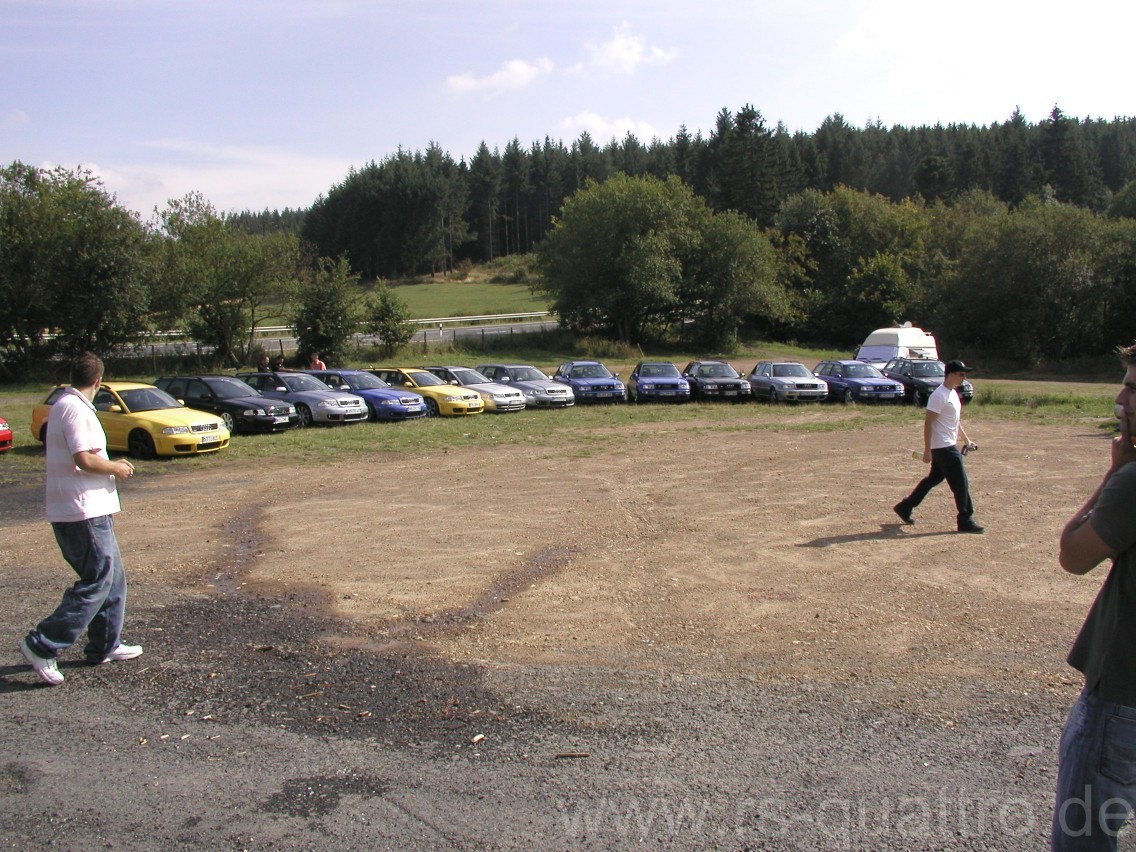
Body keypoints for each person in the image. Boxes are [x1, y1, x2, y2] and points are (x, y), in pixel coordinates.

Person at [1051, 343, 1136, 850]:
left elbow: (1073, 554)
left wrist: (1115, 471)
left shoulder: (1133, 482)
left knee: (1083, 838)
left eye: (1132, 386)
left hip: (1123, 695)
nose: (1120, 396)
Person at [17, 352, 143, 686]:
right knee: (97, 580)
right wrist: (117, 466)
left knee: (112, 579)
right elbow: (84, 459)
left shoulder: (65, 405)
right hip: (82, 511)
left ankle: (105, 644)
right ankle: (42, 643)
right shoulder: (73, 408)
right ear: (99, 381)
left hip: (91, 508)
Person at [893, 359, 984, 533]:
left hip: (947, 445)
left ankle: (905, 506)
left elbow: (954, 422)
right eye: (961, 375)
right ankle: (965, 520)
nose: (964, 378)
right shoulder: (938, 395)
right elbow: (929, 424)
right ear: (950, 375)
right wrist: (928, 450)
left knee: (933, 479)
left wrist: (966, 440)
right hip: (943, 448)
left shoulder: (953, 394)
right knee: (961, 484)